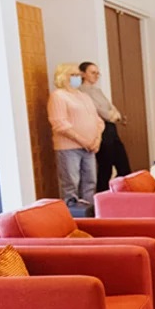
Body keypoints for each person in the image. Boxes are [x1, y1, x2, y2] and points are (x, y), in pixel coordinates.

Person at [48, 63, 103, 207]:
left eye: (78, 75)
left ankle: (89, 213)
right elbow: (60, 123)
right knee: (71, 184)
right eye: (73, 75)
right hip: (69, 148)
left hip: (90, 147)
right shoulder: (58, 96)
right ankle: (73, 215)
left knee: (90, 182)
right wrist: (83, 141)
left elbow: (98, 121)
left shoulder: (83, 96)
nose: (77, 78)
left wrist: (97, 139)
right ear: (62, 77)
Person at [78, 62, 132, 191]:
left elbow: (111, 108)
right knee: (105, 167)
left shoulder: (97, 90)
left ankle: (122, 194)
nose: (96, 75)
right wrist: (111, 115)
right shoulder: (81, 92)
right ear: (83, 74)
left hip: (111, 129)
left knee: (123, 165)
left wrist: (113, 114)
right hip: (100, 130)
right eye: (93, 72)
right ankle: (102, 197)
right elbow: (102, 111)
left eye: (98, 73)